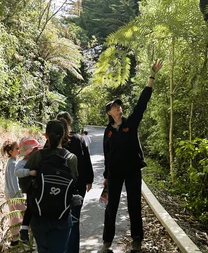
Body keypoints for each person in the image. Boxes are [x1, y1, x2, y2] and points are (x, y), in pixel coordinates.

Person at [99, 59, 163, 253]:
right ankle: (107, 242)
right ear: (109, 113)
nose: (118, 108)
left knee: (134, 205)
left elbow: (143, 103)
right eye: (114, 106)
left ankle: (137, 239)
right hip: (115, 174)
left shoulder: (131, 123)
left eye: (119, 105)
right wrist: (105, 177)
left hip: (133, 170)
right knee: (111, 207)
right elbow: (106, 154)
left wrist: (152, 76)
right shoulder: (108, 132)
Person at [24, 120, 79, 253]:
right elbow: (74, 183)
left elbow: (24, 185)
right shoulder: (71, 158)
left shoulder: (37, 156)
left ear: (46, 136)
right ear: (64, 135)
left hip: (39, 215)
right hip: (62, 216)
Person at [56, 112, 94, 253]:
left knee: (58, 219)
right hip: (77, 186)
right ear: (70, 122)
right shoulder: (79, 139)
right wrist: (89, 180)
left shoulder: (52, 140)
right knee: (74, 219)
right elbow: (86, 161)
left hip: (57, 186)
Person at [14, 137, 41, 242]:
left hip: (37, 189)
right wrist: (29, 172)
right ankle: (24, 229)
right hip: (29, 188)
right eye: (35, 150)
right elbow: (17, 172)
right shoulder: (23, 163)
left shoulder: (37, 160)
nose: (37, 151)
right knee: (30, 207)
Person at [1, 139, 25, 247]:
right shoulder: (14, 164)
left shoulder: (10, 162)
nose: (19, 150)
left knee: (14, 217)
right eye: (17, 148)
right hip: (14, 195)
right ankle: (27, 235)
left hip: (9, 194)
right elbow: (15, 182)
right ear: (10, 151)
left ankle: (15, 239)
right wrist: (19, 195)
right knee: (25, 213)